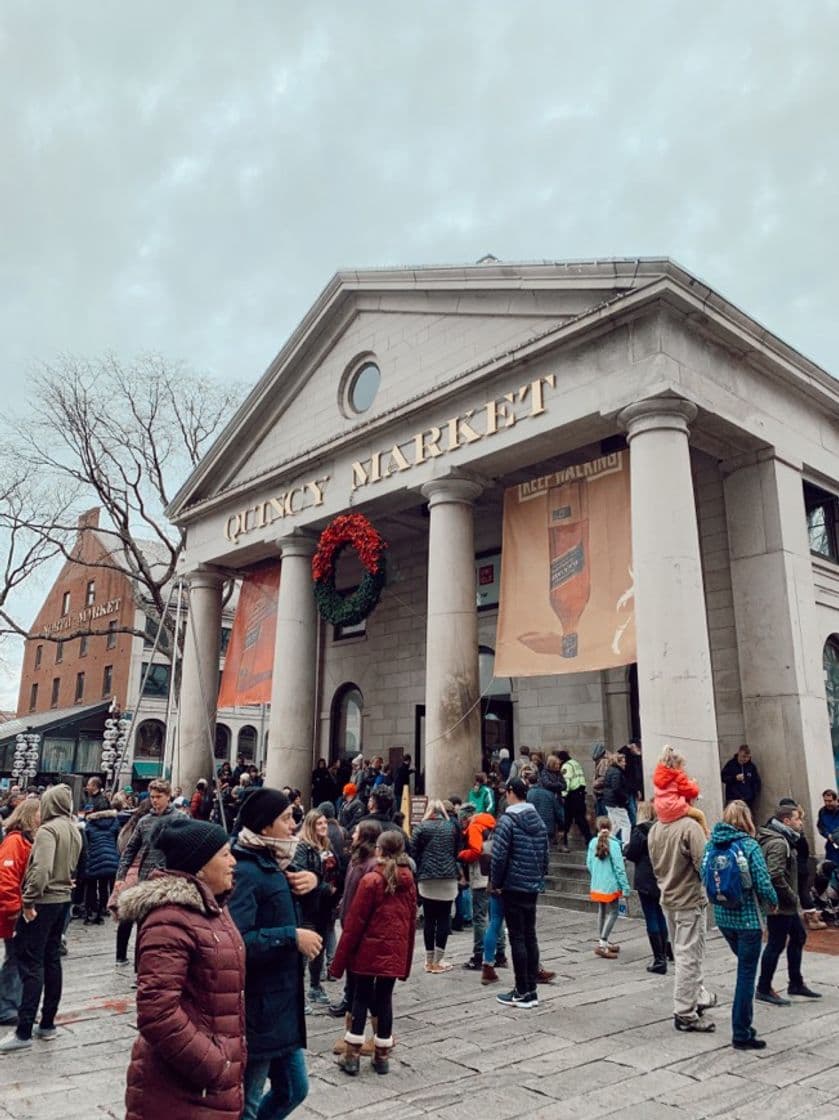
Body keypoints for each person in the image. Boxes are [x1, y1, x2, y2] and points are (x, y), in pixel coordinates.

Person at [119, 816, 245, 1120]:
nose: (233, 862)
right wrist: (214, 1064)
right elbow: (156, 1012)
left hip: (210, 1084)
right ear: (200, 866)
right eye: (225, 854)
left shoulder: (213, 908)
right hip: (183, 1086)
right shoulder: (171, 919)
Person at [228, 788, 322, 1120]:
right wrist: (291, 938)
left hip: (282, 1004)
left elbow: (299, 902)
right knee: (248, 1104)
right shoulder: (246, 870)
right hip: (259, 1006)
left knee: (294, 1089)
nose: (294, 825)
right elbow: (237, 942)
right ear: (265, 827)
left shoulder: (276, 860)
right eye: (286, 819)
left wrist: (314, 880)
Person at [0, 785, 82, 1053]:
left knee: (30, 963)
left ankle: (23, 1031)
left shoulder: (48, 830)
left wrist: (28, 900)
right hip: (63, 899)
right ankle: (48, 1023)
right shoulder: (72, 828)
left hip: (44, 901)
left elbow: (42, 868)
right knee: (52, 960)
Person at [331, 829, 417, 1076]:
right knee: (384, 1000)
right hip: (394, 951)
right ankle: (381, 1056)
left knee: (360, 997)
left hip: (367, 951)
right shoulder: (408, 880)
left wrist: (339, 962)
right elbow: (411, 922)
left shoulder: (371, 880)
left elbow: (355, 922)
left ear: (379, 849)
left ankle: (352, 1055)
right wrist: (406, 958)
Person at [702, 800, 778, 1050]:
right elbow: (762, 879)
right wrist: (773, 901)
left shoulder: (712, 844)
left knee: (745, 966)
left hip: (723, 917)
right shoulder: (748, 845)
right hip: (747, 918)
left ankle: (744, 1027)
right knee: (746, 975)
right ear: (746, 818)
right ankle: (741, 1032)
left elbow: (704, 875)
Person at [648, 798, 717, 1033]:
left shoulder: (656, 828)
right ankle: (685, 1012)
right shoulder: (690, 827)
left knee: (684, 952)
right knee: (690, 954)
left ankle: (697, 995)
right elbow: (704, 864)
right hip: (689, 897)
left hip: (668, 897)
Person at [490, 778, 549, 1009]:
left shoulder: (507, 820)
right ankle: (532, 989)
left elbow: (499, 855)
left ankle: (522, 990)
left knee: (517, 938)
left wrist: (497, 882)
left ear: (512, 792)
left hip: (513, 885)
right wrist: (539, 875)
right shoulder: (538, 820)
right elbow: (545, 854)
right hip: (532, 884)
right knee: (530, 935)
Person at [755, 804, 821, 1005]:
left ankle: (796, 982)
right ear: (786, 821)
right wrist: (790, 896)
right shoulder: (779, 842)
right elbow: (774, 874)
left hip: (785, 904)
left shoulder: (779, 838)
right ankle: (764, 987)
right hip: (780, 904)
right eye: (797, 819)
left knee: (798, 936)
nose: (801, 823)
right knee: (775, 942)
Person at [329, 820, 382, 1047]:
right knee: (354, 984)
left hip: (361, 931)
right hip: (350, 924)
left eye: (357, 831)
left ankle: (374, 1038)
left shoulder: (370, 864)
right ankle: (353, 1034)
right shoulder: (356, 860)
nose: (352, 834)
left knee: (363, 988)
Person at [289, 810, 340, 1006]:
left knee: (320, 947)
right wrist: (324, 887)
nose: (323, 826)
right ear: (310, 826)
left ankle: (315, 986)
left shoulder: (327, 845)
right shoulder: (302, 848)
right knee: (304, 949)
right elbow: (301, 875)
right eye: (319, 824)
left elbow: (335, 869)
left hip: (326, 906)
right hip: (308, 905)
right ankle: (298, 993)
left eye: (325, 823)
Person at [0, 799, 41, 1026]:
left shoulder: (23, 841)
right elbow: (5, 879)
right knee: (15, 959)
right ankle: (6, 1007)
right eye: (39, 813)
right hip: (14, 912)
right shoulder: (15, 842)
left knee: (17, 958)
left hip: (16, 910)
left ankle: (11, 1004)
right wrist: (16, 909)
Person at [411, 800, 461, 973]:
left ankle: (428, 959)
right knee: (444, 918)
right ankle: (438, 961)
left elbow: (413, 850)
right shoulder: (451, 827)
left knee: (430, 919)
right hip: (448, 877)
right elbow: (457, 850)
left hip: (427, 877)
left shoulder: (421, 828)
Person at [457, 805, 507, 976]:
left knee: (479, 918)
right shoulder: (491, 824)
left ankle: (478, 955)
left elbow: (476, 850)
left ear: (465, 819)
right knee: (495, 917)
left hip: (480, 876)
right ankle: (500, 954)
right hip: (495, 875)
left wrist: (461, 854)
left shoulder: (474, 827)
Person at [623, 801, 671, 973]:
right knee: (660, 915)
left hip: (645, 877)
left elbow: (632, 854)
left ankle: (659, 959)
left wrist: (627, 848)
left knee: (651, 916)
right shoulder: (662, 829)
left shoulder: (639, 831)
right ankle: (664, 952)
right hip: (661, 876)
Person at [586, 816, 631, 959]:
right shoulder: (614, 844)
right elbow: (619, 868)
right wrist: (625, 887)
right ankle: (603, 942)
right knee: (614, 912)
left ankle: (602, 939)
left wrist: (596, 876)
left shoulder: (593, 842)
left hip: (597, 883)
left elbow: (589, 863)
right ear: (611, 827)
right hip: (610, 884)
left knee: (602, 910)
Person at [652, 744, 709, 836]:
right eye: (682, 765)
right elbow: (692, 792)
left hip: (661, 811)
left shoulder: (659, 776)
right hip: (675, 808)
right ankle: (706, 838)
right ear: (677, 765)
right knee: (700, 815)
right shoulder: (677, 775)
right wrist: (693, 783)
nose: (683, 769)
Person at [83, 804, 122, 924]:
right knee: (104, 887)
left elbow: (86, 840)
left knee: (91, 886)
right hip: (110, 857)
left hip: (94, 857)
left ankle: (89, 913)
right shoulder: (114, 822)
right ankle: (100, 913)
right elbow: (117, 839)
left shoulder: (90, 823)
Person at [556, 749, 591, 849]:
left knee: (566, 820)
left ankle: (563, 842)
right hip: (580, 793)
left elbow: (566, 781)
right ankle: (589, 839)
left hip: (571, 796)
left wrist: (563, 795)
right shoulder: (575, 763)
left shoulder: (566, 766)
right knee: (581, 819)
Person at [602, 752, 632, 845]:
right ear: (618, 762)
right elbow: (617, 788)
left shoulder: (611, 770)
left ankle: (606, 843)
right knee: (626, 825)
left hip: (609, 802)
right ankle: (625, 847)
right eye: (623, 761)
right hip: (616, 803)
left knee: (615, 825)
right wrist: (625, 798)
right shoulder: (617, 772)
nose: (625, 763)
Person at [721, 745, 762, 812]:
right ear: (739, 753)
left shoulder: (751, 767)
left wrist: (753, 794)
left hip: (747, 800)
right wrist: (735, 778)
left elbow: (756, 781)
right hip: (733, 799)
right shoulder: (731, 764)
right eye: (743, 756)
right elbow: (723, 777)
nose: (745, 759)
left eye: (747, 757)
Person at [525, 769, 561, 843]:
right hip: (548, 828)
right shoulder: (550, 794)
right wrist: (561, 825)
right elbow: (558, 811)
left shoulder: (528, 794)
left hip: (533, 828)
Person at [619, 739, 644, 826]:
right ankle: (634, 827)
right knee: (632, 810)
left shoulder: (633, 757)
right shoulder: (627, 755)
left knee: (634, 809)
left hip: (633, 787)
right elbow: (632, 776)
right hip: (629, 789)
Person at [816, 788, 839, 865]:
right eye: (825, 801)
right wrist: (827, 835)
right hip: (831, 847)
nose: (827, 804)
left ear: (836, 800)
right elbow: (820, 826)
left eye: (830, 801)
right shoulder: (822, 812)